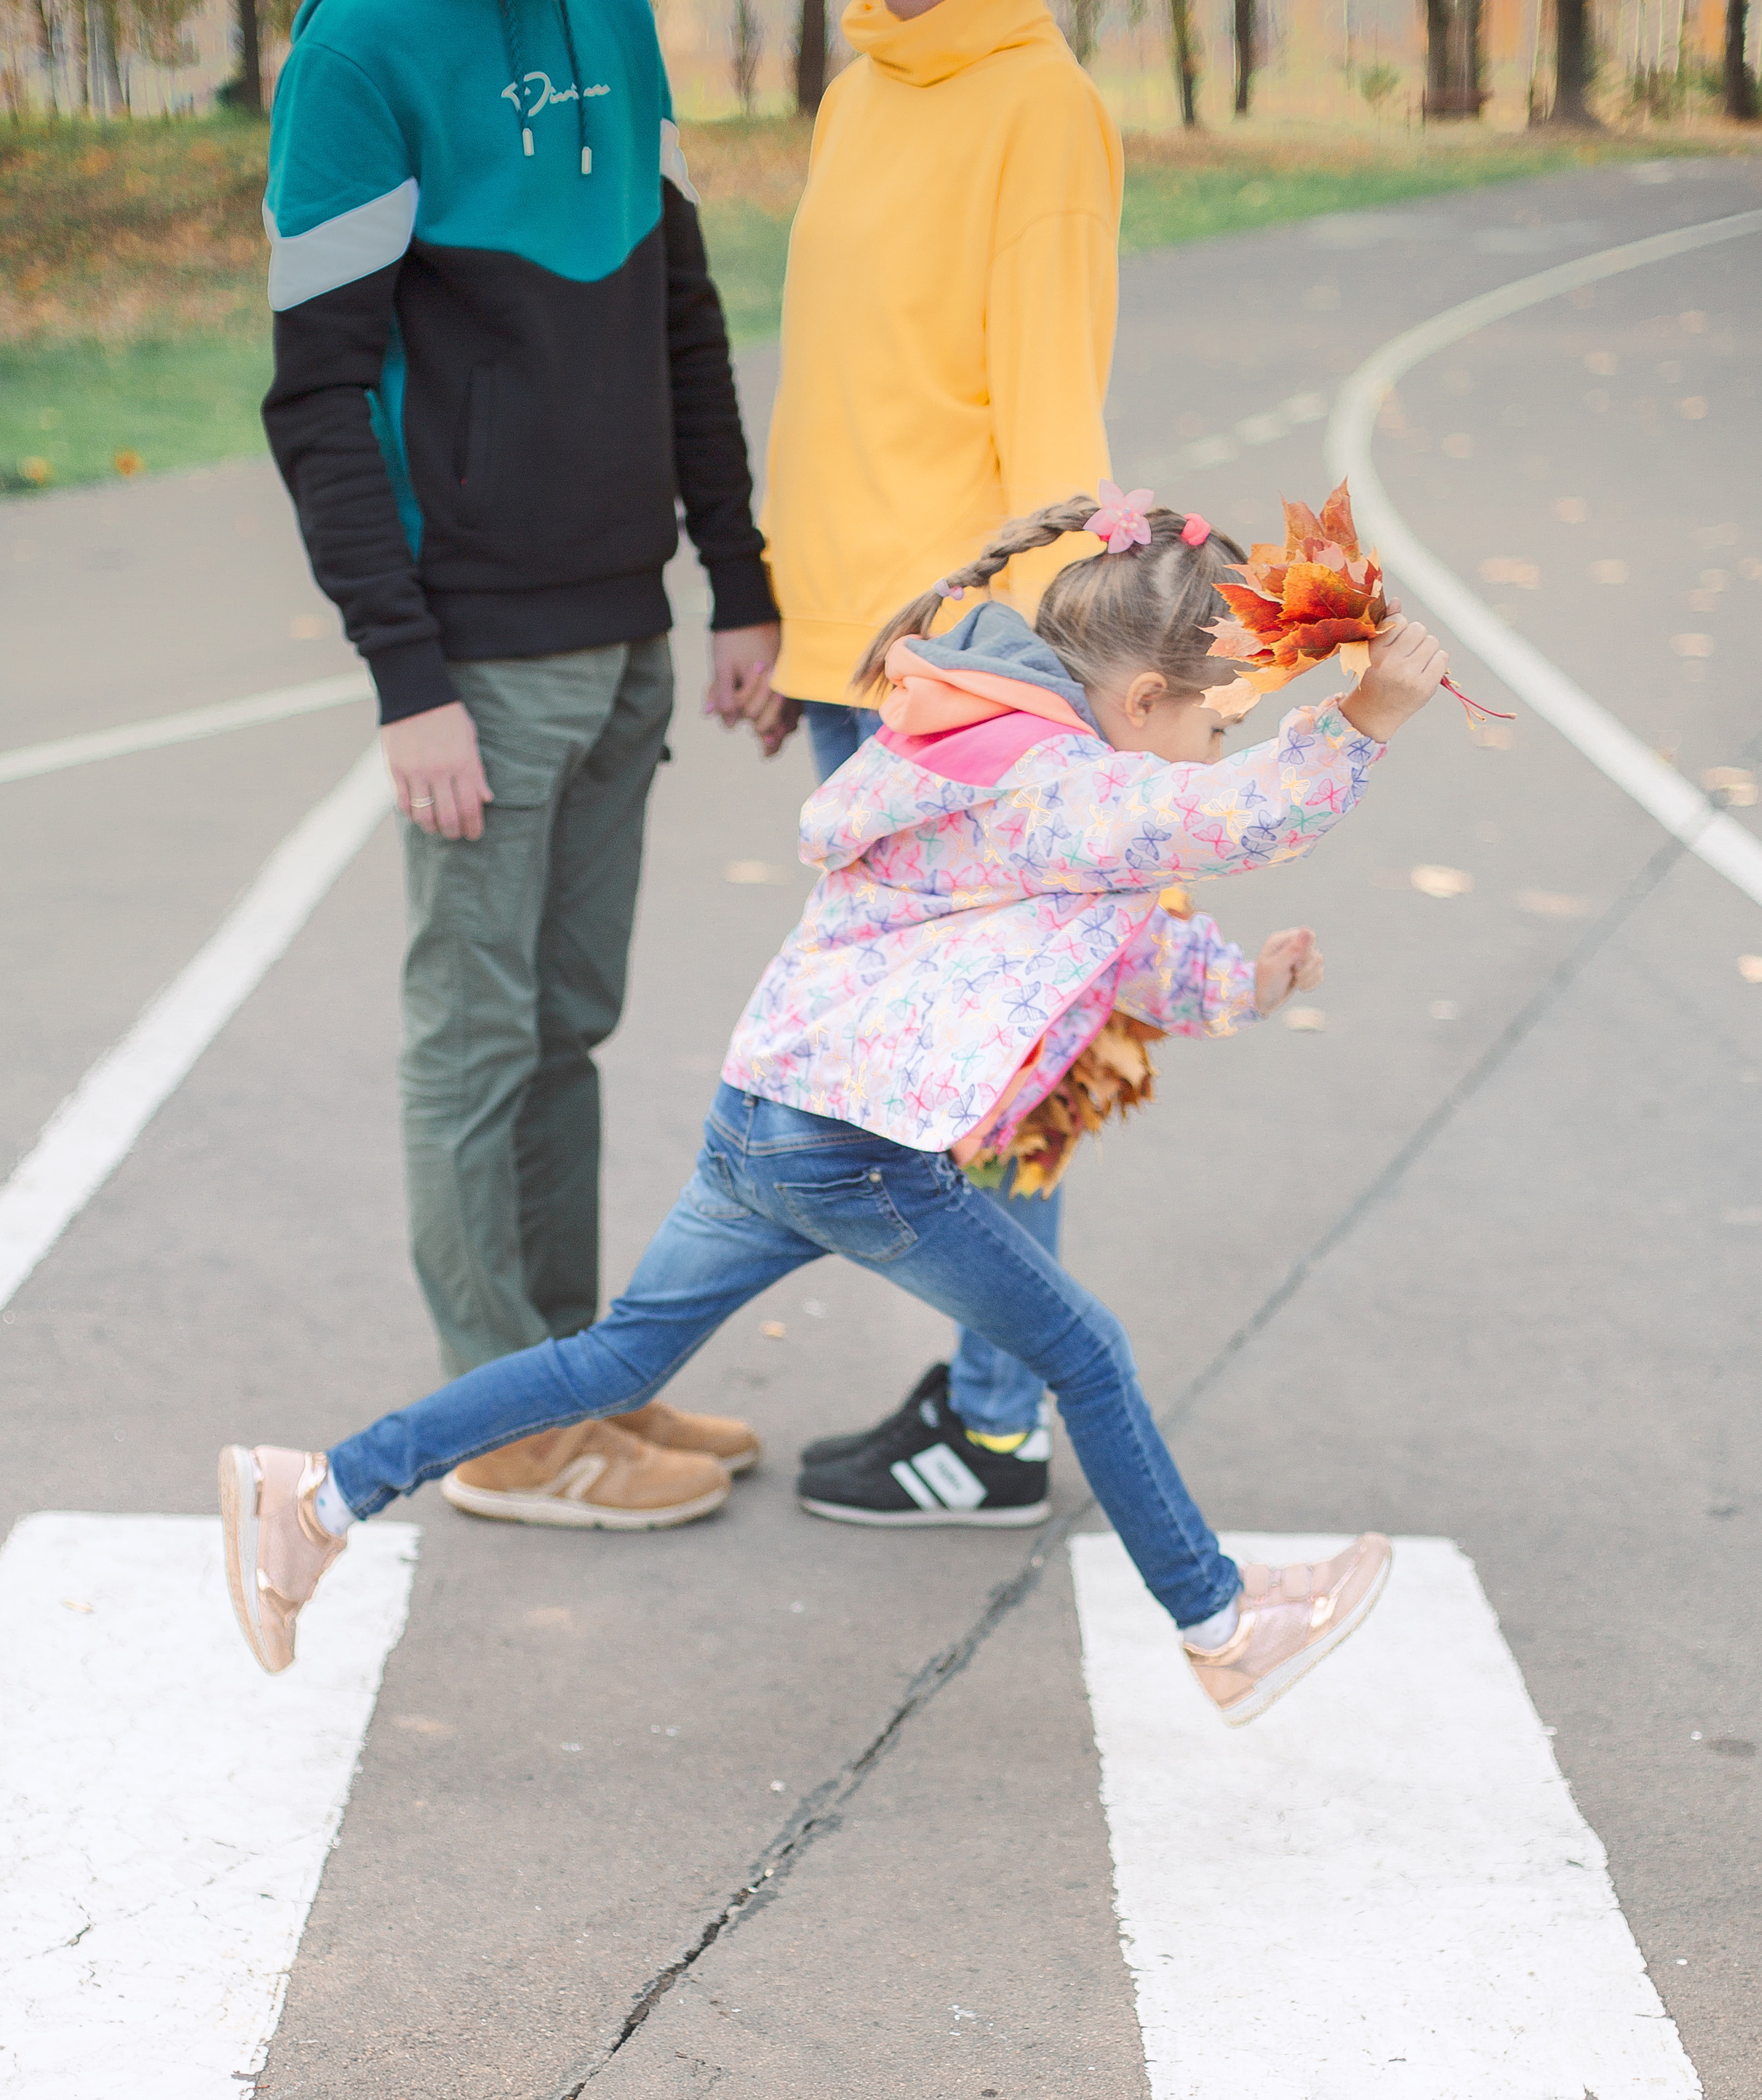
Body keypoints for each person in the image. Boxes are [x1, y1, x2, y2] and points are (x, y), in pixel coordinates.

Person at [218, 499, 1451, 1728]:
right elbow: (1238, 820)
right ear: (1140, 704)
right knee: (1083, 1353)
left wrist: (1247, 983)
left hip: (768, 1116)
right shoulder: (1059, 785)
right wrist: (1366, 721)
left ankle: (319, 1496)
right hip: (856, 1151)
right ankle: (1222, 1626)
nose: (1216, 743)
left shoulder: (994, 758)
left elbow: (1120, 949)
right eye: (1217, 720)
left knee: (620, 1356)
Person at [260, 0, 780, 1532]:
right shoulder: (358, 54)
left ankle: (575, 1379)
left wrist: (734, 576)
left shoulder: (613, 18)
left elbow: (680, 314)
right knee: (478, 1041)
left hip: (622, 629)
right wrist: (404, 674)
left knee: (566, 1027)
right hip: (478, 662)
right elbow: (317, 391)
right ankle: (500, 1429)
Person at [756, 0, 1125, 1522]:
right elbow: (841, 390)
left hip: (965, 677)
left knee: (983, 1069)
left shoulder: (1037, 107)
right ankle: (992, 1384)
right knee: (903, 1080)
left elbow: (1051, 435)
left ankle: (992, 1432)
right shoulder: (859, 95)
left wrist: (1041, 702)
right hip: (858, 658)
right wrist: (799, 626)